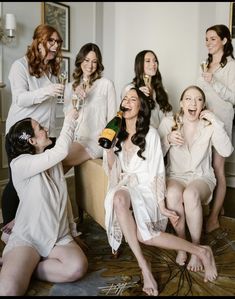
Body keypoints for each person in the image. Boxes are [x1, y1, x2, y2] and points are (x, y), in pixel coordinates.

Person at [102, 87, 218, 296]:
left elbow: (157, 172)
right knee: (118, 198)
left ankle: (200, 250)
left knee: (143, 236)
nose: (127, 101)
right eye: (125, 99)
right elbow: (114, 171)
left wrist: (161, 205)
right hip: (127, 186)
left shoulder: (151, 134)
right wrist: (109, 148)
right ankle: (144, 267)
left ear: (141, 107)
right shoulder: (115, 133)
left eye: (133, 99)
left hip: (147, 189)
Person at [0, 108, 88, 296]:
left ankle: (28, 267)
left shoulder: (51, 160)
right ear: (32, 141)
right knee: (8, 290)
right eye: (40, 128)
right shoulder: (19, 164)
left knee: (77, 268)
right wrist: (69, 120)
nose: (46, 128)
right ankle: (19, 263)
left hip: (58, 236)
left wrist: (72, 231)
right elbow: (61, 150)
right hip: (29, 237)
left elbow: (63, 199)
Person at [158, 85, 233, 271]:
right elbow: (154, 156)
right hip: (175, 175)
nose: (193, 102)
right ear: (182, 103)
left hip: (202, 177)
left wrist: (215, 120)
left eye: (198, 99)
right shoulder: (169, 122)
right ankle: (183, 245)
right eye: (189, 99)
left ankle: (196, 247)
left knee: (190, 195)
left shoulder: (209, 125)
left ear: (203, 105)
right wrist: (167, 139)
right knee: (173, 194)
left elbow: (226, 150)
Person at [1, 24, 65, 235]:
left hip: (44, 135)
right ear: (39, 42)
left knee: (40, 182)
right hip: (21, 135)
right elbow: (20, 98)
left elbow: (50, 109)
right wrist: (47, 91)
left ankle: (36, 226)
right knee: (16, 183)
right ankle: (8, 226)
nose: (55, 46)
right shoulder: (20, 66)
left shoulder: (53, 72)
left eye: (58, 42)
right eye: (51, 41)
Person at [196, 24, 235, 233]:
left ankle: (213, 218)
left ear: (225, 40)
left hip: (221, 122)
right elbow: (198, 91)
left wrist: (215, 82)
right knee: (204, 167)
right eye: (206, 39)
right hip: (203, 122)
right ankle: (210, 208)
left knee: (218, 169)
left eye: (212, 38)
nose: (208, 43)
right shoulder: (204, 64)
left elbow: (234, 97)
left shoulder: (231, 66)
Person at [62, 42, 118, 172]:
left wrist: (107, 142)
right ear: (80, 60)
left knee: (57, 162)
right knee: (54, 170)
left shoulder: (106, 84)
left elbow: (112, 119)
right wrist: (75, 97)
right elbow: (68, 117)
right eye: (87, 60)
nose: (90, 65)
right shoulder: (70, 87)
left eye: (94, 61)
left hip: (94, 141)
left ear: (98, 64)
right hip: (73, 138)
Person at [122, 49, 173, 129]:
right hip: (141, 135)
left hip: (162, 137)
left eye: (155, 61)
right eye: (148, 61)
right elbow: (125, 115)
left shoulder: (162, 90)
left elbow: (169, 117)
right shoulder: (130, 89)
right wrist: (138, 96)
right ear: (140, 65)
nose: (153, 64)